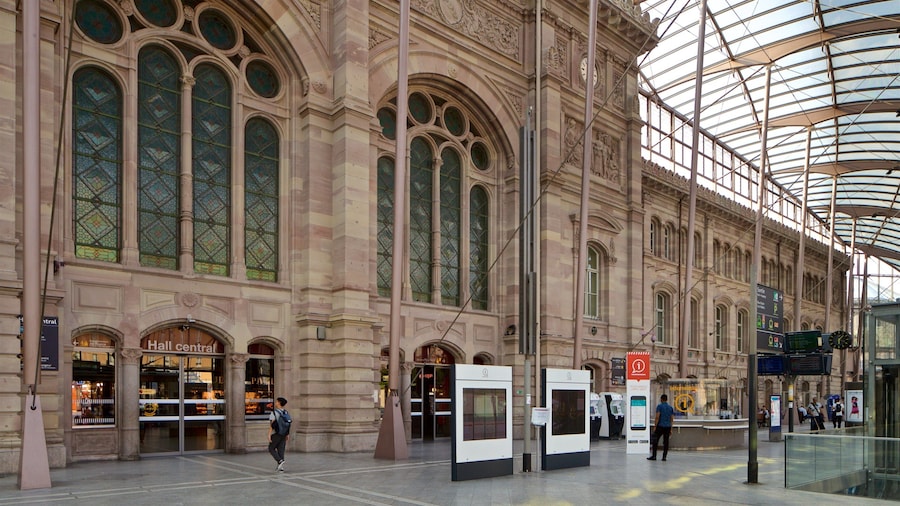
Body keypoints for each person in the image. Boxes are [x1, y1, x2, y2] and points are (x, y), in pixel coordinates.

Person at [648, 394, 675, 461]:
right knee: (666, 442)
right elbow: (671, 419)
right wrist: (671, 429)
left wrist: (655, 426)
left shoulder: (659, 406)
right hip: (668, 427)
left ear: (661, 399)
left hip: (660, 426)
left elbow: (657, 417)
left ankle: (654, 456)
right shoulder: (670, 408)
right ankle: (664, 457)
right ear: (667, 399)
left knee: (655, 441)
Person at [268, 397, 290, 472]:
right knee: (281, 449)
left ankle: (280, 461)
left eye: (277, 401)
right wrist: (287, 434)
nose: (275, 403)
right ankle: (281, 467)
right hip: (284, 433)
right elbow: (288, 424)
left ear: (279, 403)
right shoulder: (286, 412)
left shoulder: (274, 413)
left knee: (271, 448)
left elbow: (272, 425)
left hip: (276, 433)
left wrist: (269, 434)